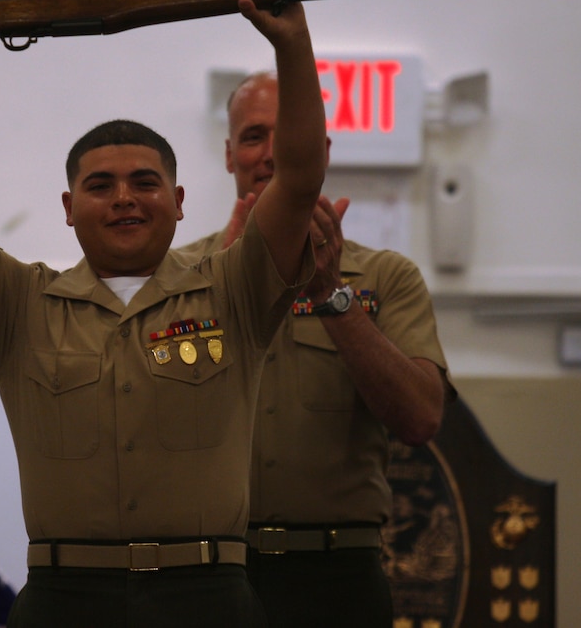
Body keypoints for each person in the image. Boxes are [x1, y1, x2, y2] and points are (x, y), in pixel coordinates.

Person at [0, 0, 327, 627]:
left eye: (144, 182)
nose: (124, 196)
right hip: (64, 599)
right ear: (68, 207)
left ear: (180, 203)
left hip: (207, 598)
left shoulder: (234, 290)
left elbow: (298, 177)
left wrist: (292, 47)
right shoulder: (18, 304)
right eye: (100, 185)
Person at [177, 70, 453, 627]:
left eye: (291, 137)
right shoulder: (178, 274)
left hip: (336, 580)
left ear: (320, 151)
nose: (272, 153)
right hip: (206, 574)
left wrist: (332, 296)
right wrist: (218, 292)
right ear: (230, 155)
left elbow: (421, 418)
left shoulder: (386, 276)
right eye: (254, 136)